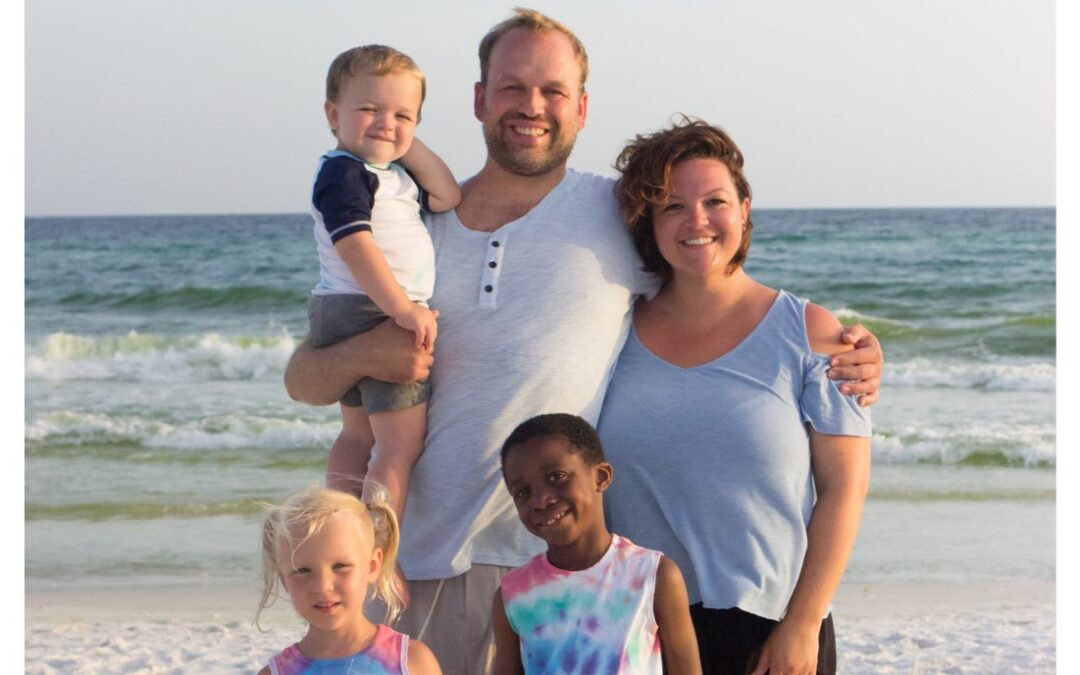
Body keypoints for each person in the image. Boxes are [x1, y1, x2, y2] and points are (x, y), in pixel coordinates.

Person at [283, 10, 884, 674]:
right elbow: (305, 380)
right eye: (512, 88)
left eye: (553, 91)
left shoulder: (614, 215)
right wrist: (366, 355)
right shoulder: (412, 217)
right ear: (480, 99)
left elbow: (711, 273)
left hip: (559, 576)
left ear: (582, 107)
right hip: (409, 568)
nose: (531, 107)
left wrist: (836, 342)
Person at [598, 118, 873, 675]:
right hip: (638, 630)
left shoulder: (810, 331)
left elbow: (844, 490)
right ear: (647, 222)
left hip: (772, 632)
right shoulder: (609, 330)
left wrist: (802, 625)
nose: (696, 220)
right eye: (672, 206)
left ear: (744, 208)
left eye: (714, 201)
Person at [307, 44, 461, 520]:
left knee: (359, 436)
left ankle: (342, 530)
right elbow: (355, 245)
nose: (385, 123)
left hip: (350, 307)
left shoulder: (390, 173)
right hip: (370, 308)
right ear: (334, 115)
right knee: (399, 446)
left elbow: (448, 194)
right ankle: (380, 547)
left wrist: (405, 142)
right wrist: (401, 308)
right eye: (370, 109)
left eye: (403, 115)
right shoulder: (344, 172)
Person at [491, 413, 701, 675]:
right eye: (523, 491)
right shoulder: (513, 595)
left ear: (601, 477)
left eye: (556, 477)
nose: (541, 500)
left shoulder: (654, 575)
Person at [256, 485, 442, 675]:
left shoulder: (412, 662)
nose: (322, 586)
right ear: (284, 579)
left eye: (340, 566)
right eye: (302, 570)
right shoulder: (276, 673)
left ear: (372, 566)